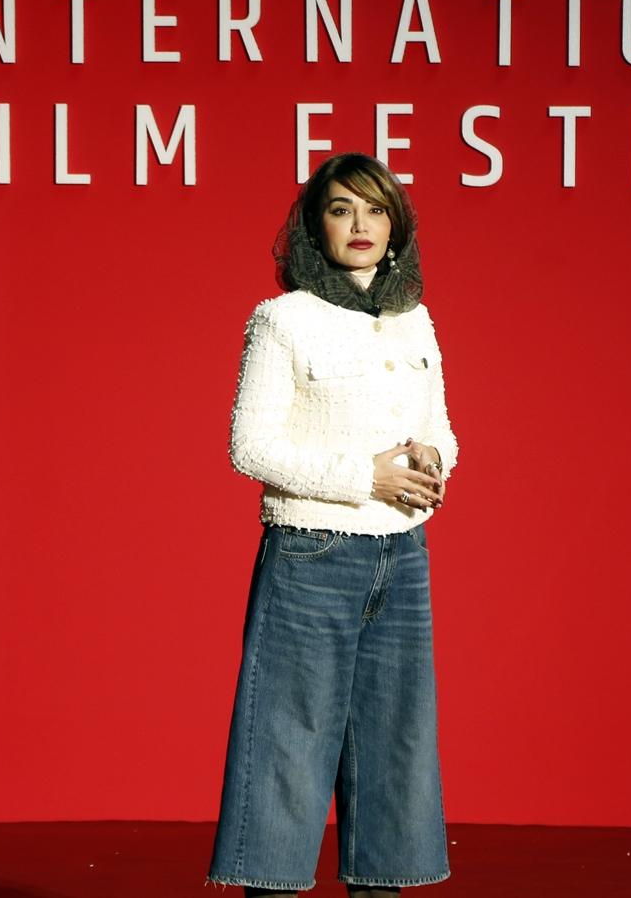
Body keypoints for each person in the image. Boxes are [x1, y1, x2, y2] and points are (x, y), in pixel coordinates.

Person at [205, 153, 459, 897]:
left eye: (375, 210)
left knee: (395, 740)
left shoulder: (413, 319)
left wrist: (432, 457)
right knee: (288, 738)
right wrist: (363, 477)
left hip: (402, 553)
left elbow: (440, 427)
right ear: (315, 226)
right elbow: (249, 446)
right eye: (341, 209)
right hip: (311, 552)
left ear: (396, 226)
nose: (360, 225)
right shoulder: (282, 320)